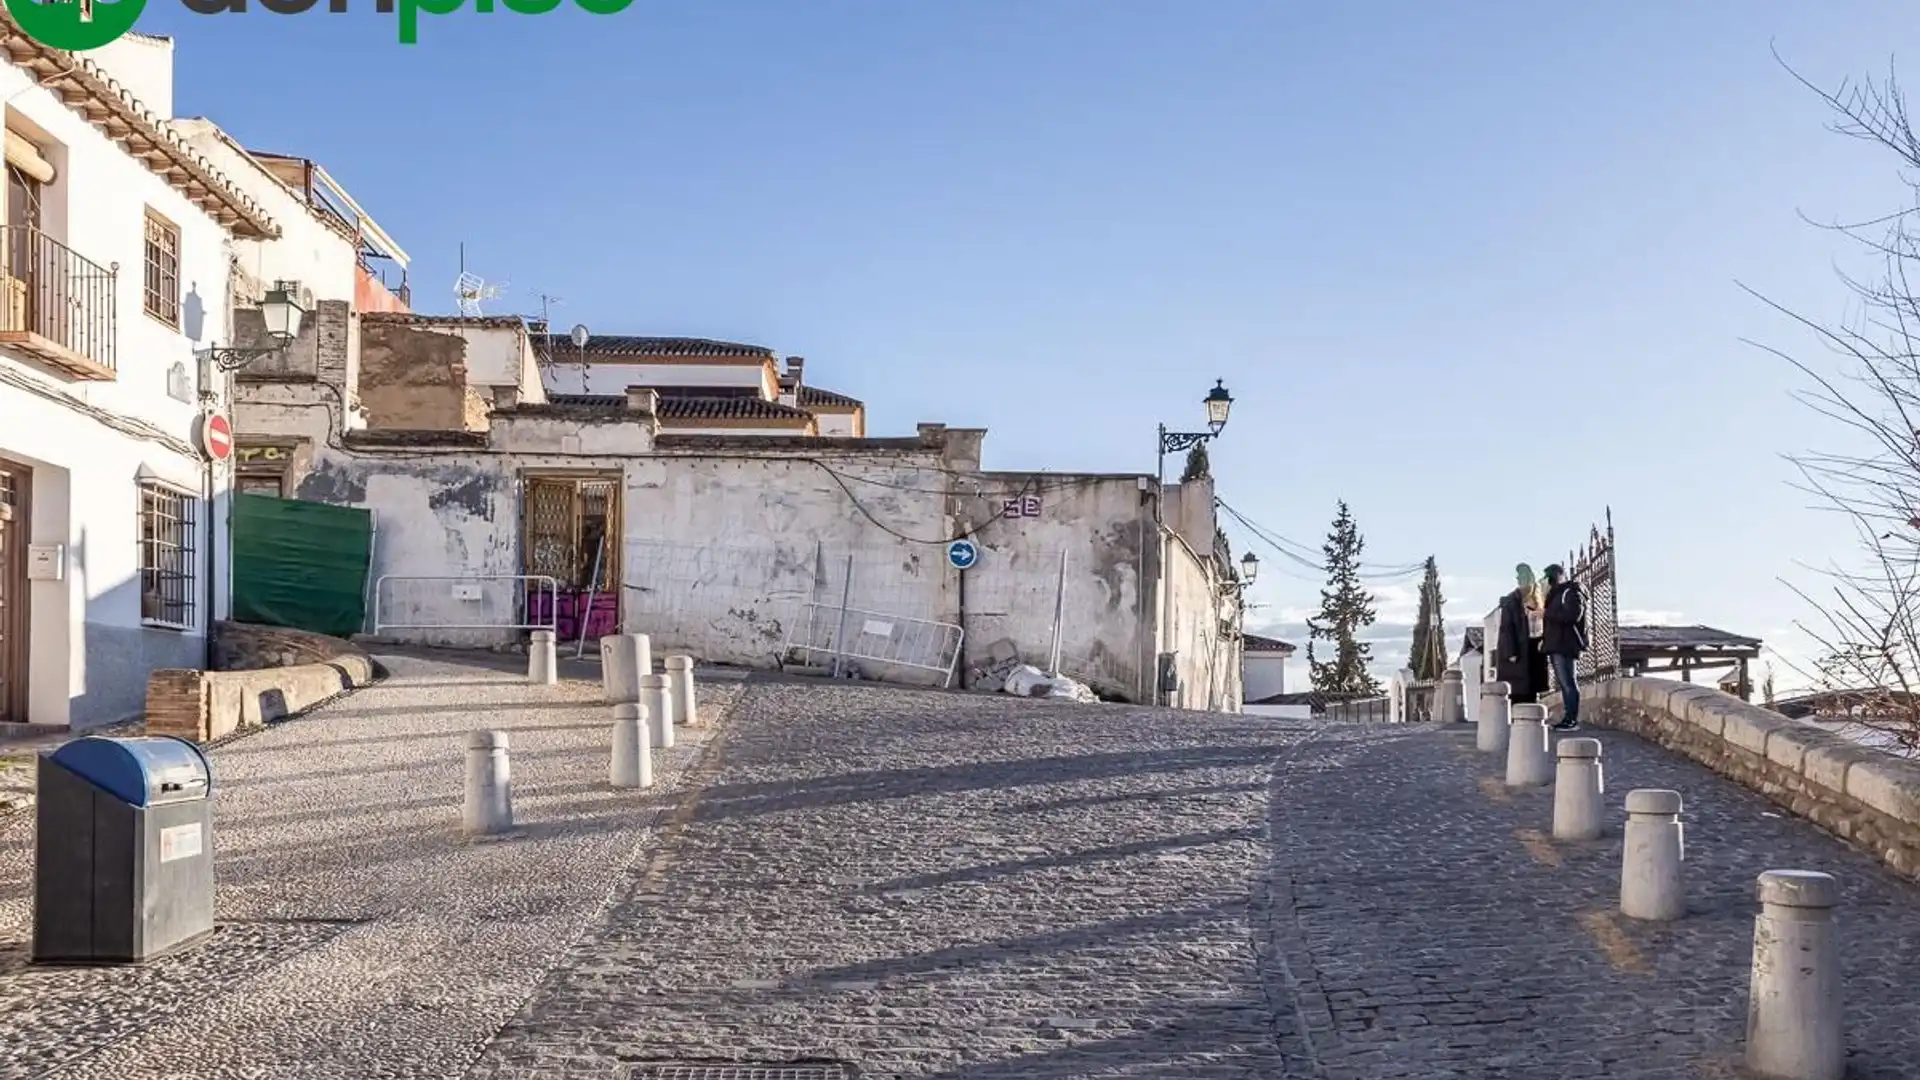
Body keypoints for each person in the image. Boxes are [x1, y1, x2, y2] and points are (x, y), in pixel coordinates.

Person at [1540, 563, 1588, 731]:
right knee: (1564, 683)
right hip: (1556, 643)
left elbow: (1572, 615)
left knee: (1568, 682)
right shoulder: (1555, 595)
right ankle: (1568, 718)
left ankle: (1571, 720)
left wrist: (1547, 614)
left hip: (1566, 644)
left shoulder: (1571, 592)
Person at [1495, 564, 1542, 703]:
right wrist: (1511, 652)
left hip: (1534, 648)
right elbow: (1506, 629)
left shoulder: (1536, 601)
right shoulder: (1512, 602)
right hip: (1518, 650)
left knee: (1531, 689)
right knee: (1518, 691)